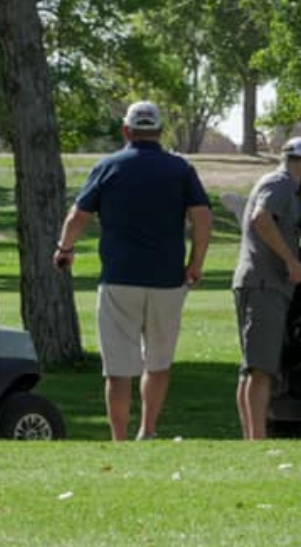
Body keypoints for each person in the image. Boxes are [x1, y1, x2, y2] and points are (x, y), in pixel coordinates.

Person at [53, 101, 212, 440]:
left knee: (118, 368)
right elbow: (202, 217)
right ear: (160, 131)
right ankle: (148, 430)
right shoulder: (180, 169)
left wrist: (64, 249)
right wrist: (196, 263)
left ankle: (120, 439)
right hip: (168, 279)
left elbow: (78, 217)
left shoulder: (108, 166)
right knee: (159, 362)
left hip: (119, 279)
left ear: (126, 130)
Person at [232, 136, 301, 440]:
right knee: (261, 369)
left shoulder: (287, 190)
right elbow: (262, 218)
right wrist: (291, 261)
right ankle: (257, 440)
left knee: (253, 367)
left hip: (263, 284)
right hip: (264, 284)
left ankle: (251, 439)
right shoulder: (280, 183)